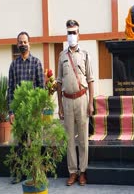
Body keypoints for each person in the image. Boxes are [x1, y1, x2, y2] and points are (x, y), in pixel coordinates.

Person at [57, 19, 94, 186]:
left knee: (83, 139)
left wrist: (91, 103)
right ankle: (72, 171)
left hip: (82, 100)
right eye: (69, 32)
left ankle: (83, 172)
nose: (71, 35)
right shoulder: (62, 56)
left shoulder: (85, 55)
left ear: (79, 34)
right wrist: (59, 106)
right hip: (67, 101)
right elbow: (58, 82)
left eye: (74, 32)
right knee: (70, 139)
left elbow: (91, 80)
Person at [7, 31, 44, 183]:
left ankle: (34, 172)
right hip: (19, 112)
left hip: (33, 111)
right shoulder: (13, 65)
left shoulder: (36, 63)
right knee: (21, 144)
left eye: (25, 42)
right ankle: (19, 173)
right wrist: (10, 111)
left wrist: (39, 110)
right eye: (20, 42)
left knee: (34, 143)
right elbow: (10, 89)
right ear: (17, 45)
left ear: (30, 43)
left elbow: (41, 88)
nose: (23, 44)